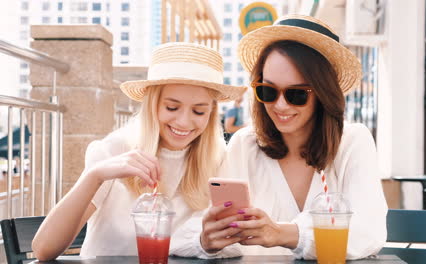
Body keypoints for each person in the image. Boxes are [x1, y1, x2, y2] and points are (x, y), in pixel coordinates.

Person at [31, 42, 246, 260]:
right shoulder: (115, 149)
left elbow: (235, 243)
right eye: (172, 107)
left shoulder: (218, 158)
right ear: (152, 104)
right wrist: (94, 175)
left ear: (211, 112)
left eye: (199, 111)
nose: (184, 122)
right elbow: (44, 249)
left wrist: (206, 242)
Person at [198, 14, 388, 260]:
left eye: (296, 94)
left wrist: (282, 233)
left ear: (322, 93)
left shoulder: (352, 142)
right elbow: (228, 244)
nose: (280, 106)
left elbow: (369, 233)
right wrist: (209, 241)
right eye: (268, 91)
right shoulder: (244, 145)